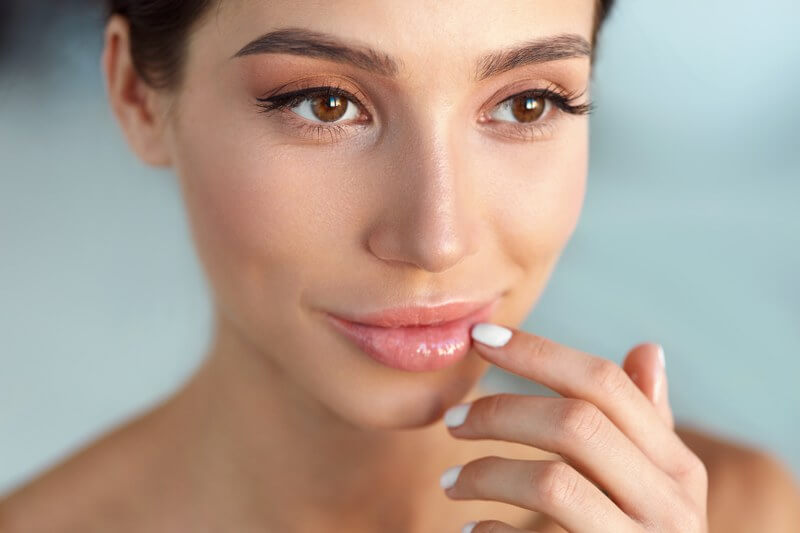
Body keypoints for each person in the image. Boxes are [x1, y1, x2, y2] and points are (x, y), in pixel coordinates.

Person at [2, 1, 799, 531]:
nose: (437, 238)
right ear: (138, 95)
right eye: (324, 102)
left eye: (527, 104)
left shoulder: (738, 511)